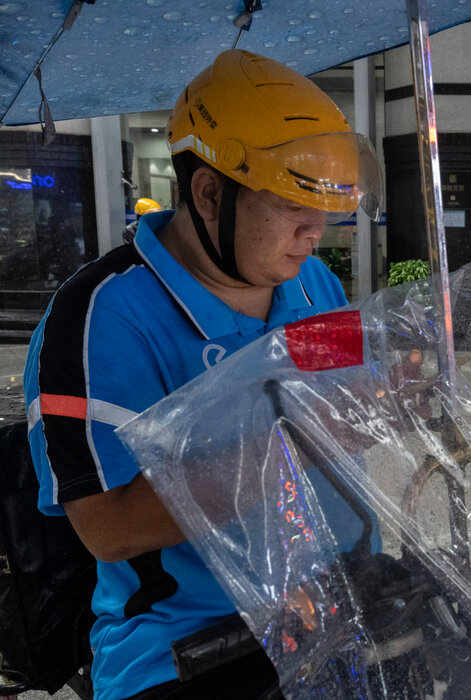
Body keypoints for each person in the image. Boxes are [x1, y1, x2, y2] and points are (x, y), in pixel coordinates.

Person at [23, 49, 382, 700]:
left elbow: (356, 404)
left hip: (343, 600)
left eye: (325, 208)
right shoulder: (103, 316)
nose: (316, 232)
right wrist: (297, 442)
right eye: (290, 205)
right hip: (192, 646)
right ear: (210, 191)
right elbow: (109, 526)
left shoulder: (316, 286)